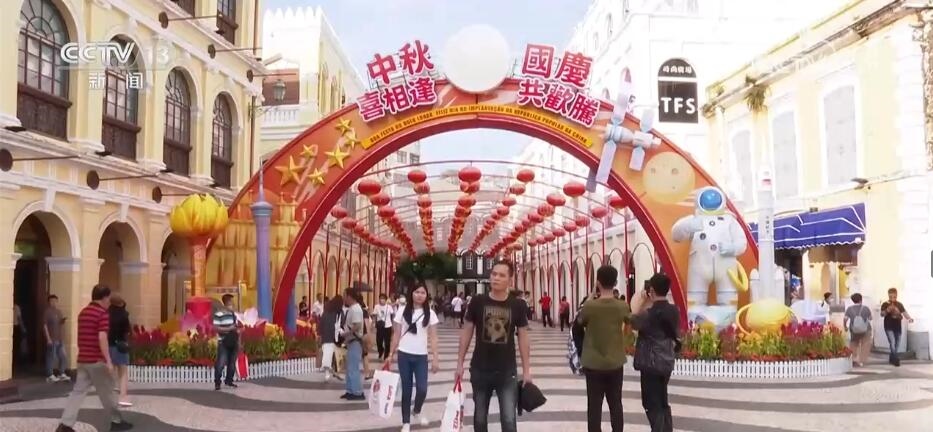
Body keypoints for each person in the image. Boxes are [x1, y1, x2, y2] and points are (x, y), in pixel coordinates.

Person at [456, 261, 531, 432]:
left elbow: (523, 338)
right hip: (480, 369)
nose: (496, 278)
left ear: (510, 280)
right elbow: (466, 332)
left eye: (501, 275)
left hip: (507, 371)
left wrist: (527, 370)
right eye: (494, 274)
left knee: (509, 420)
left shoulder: (518, 305)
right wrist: (459, 363)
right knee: (480, 418)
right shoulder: (477, 301)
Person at [56, 284, 132, 432]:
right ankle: (116, 421)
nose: (109, 302)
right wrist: (108, 360)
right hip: (97, 360)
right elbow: (102, 337)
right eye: (108, 298)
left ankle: (65, 424)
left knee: (77, 393)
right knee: (108, 392)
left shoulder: (83, 313)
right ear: (104, 297)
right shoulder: (102, 314)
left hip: (83, 359)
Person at [579, 266, 631, 432]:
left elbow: (579, 322)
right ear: (615, 282)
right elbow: (631, 321)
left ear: (598, 283)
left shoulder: (590, 306)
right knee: (616, 404)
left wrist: (591, 296)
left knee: (594, 406)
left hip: (593, 362)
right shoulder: (622, 306)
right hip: (615, 362)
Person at [387, 285, 440, 432]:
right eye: (417, 292)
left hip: (421, 356)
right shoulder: (402, 311)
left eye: (423, 292)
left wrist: (436, 357)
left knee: (422, 389)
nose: (420, 295)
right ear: (411, 293)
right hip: (404, 354)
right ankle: (406, 422)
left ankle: (416, 410)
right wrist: (390, 354)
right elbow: (396, 334)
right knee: (407, 390)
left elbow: (433, 337)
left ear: (426, 295)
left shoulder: (430, 314)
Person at [631, 273, 679, 432]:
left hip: (650, 363)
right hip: (667, 361)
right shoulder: (674, 311)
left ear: (651, 290)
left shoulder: (648, 314)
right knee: (663, 400)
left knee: (651, 403)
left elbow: (633, 320)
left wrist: (643, 300)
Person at [340, 288, 366, 400]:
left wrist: (347, 333)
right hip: (351, 341)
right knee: (350, 367)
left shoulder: (355, 309)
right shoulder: (352, 308)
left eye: (344, 295)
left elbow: (357, 325)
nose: (343, 298)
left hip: (355, 341)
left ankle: (357, 392)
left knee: (353, 368)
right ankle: (350, 390)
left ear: (349, 296)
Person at [108, 295, 132, 407]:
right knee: (123, 371)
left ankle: (110, 395)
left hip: (109, 345)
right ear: (121, 303)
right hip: (120, 345)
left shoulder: (106, 314)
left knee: (111, 370)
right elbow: (127, 331)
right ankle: (123, 396)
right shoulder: (124, 315)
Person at [213, 294, 239, 391]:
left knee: (232, 363)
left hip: (233, 341)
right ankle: (217, 382)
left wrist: (238, 331)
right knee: (221, 363)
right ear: (227, 303)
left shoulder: (233, 314)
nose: (233, 304)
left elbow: (235, 327)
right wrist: (229, 328)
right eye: (232, 302)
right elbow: (216, 328)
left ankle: (229, 380)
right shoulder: (218, 314)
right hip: (223, 342)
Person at [881, 288, 914, 366]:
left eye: (894, 296)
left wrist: (909, 318)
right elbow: (882, 314)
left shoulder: (899, 304)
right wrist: (887, 310)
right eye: (891, 296)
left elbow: (904, 312)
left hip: (897, 326)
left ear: (896, 295)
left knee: (897, 343)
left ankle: (892, 357)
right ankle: (895, 359)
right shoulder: (885, 304)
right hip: (888, 326)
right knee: (892, 342)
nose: (893, 298)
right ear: (888, 295)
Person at [44, 294, 70, 382]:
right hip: (52, 338)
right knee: (51, 356)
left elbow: (60, 323)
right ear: (49, 302)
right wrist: (48, 338)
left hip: (60, 338)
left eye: (55, 301)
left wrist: (62, 321)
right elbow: (45, 325)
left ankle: (61, 373)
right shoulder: (47, 312)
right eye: (52, 301)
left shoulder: (59, 312)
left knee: (63, 356)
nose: (54, 303)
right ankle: (50, 375)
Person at [844, 293, 872, 367]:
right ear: (861, 300)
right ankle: (861, 360)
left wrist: (845, 326)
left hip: (854, 330)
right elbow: (870, 318)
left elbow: (845, 319)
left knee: (854, 344)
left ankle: (854, 359)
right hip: (866, 329)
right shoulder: (865, 308)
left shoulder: (849, 309)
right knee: (865, 344)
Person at [318, 295, 342, 381]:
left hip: (326, 336)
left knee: (327, 353)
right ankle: (333, 371)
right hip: (334, 336)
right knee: (335, 354)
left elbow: (321, 324)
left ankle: (328, 371)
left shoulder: (326, 312)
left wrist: (320, 334)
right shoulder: (338, 313)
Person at [374, 294, 394, 361]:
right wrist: (374, 323)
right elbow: (375, 315)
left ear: (385, 300)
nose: (381, 300)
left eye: (383, 298)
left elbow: (392, 315)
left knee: (387, 342)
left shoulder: (389, 307)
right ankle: (381, 350)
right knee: (378, 341)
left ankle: (386, 356)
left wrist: (392, 324)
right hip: (380, 326)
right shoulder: (376, 306)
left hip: (388, 326)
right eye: (380, 298)